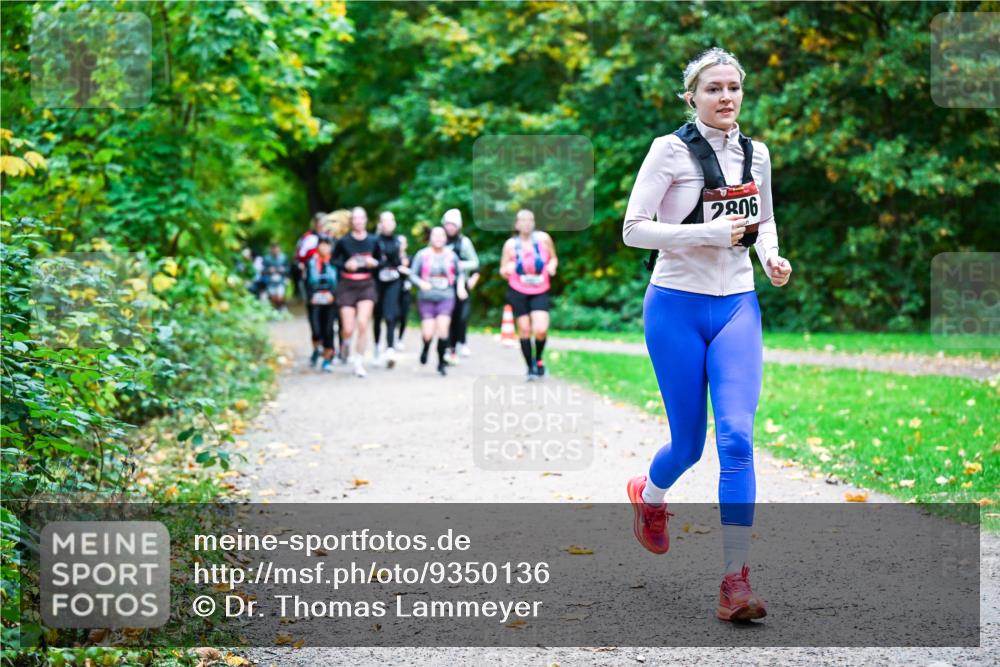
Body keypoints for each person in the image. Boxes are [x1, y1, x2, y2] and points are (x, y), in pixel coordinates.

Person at [621, 47, 792, 623]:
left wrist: (770, 256)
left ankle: (734, 581)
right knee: (689, 443)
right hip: (675, 307)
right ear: (691, 95)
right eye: (713, 88)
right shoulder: (667, 151)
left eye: (734, 88)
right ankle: (649, 496)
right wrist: (706, 234)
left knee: (737, 440)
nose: (726, 98)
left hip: (738, 305)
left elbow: (762, 218)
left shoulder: (756, 153)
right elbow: (633, 230)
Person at [499, 209, 557, 380]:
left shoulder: (544, 239)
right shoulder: (510, 244)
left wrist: (552, 266)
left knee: (540, 330)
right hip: (518, 290)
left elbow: (553, 258)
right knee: (524, 329)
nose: (526, 223)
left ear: (533, 222)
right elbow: (502, 269)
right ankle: (530, 367)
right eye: (522, 220)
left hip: (540, 290)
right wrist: (506, 270)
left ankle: (538, 359)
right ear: (517, 224)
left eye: (529, 220)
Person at [332, 206, 382, 378]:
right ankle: (345, 343)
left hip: (366, 284)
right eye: (355, 218)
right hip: (347, 285)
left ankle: (359, 361)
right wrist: (346, 264)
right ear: (351, 221)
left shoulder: (374, 240)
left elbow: (382, 261)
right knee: (348, 328)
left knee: (362, 324)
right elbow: (333, 260)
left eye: (361, 218)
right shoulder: (343, 241)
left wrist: (373, 263)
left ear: (366, 220)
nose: (358, 221)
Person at [409, 226, 467, 376]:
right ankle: (426, 347)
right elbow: (412, 274)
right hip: (427, 298)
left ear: (445, 238)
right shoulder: (422, 255)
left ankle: (441, 363)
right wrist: (421, 283)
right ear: (430, 238)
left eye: (441, 235)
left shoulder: (451, 256)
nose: (438, 238)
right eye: (435, 235)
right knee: (428, 333)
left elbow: (460, 274)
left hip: (446, 296)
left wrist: (460, 288)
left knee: (443, 329)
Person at [441, 209, 479, 363]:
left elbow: (475, 262)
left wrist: (458, 265)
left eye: (453, 225)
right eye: (448, 224)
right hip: (444, 285)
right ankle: (448, 347)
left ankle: (460, 342)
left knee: (461, 316)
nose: (450, 228)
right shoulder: (439, 240)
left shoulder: (464, 242)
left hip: (461, 284)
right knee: (447, 316)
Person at [372, 211, 408, 369]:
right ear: (380, 223)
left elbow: (398, 261)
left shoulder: (397, 241)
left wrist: (402, 266)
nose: (388, 223)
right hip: (376, 282)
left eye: (391, 220)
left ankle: (390, 348)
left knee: (391, 314)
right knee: (378, 315)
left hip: (394, 281)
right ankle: (376, 346)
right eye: (385, 220)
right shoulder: (374, 241)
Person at [296, 212, 328, 366]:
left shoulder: (333, 238)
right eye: (321, 223)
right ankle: (316, 347)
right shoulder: (308, 238)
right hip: (312, 283)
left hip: (330, 284)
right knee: (314, 319)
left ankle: (329, 351)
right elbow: (299, 257)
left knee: (328, 319)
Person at [304, 236, 338, 372]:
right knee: (316, 330)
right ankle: (316, 349)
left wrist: (333, 294)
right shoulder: (311, 262)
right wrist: (310, 296)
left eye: (327, 245)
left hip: (330, 300)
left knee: (328, 330)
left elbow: (339, 281)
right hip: (315, 300)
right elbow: (305, 282)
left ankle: (327, 359)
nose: (324, 248)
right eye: (322, 245)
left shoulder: (335, 262)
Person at [261, 242, 289, 310]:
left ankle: (282, 307)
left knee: (280, 296)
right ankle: (276, 309)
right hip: (270, 281)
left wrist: (283, 270)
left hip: (281, 280)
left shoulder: (284, 257)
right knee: (273, 297)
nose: (275, 251)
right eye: (274, 249)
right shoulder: (266, 259)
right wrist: (268, 270)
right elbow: (262, 270)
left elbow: (288, 269)